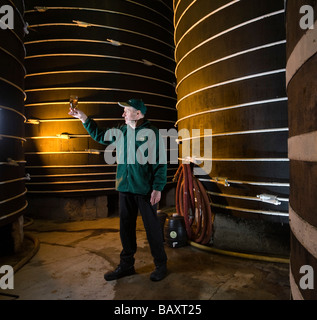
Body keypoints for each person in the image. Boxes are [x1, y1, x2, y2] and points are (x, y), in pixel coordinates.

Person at [68, 98, 168, 281]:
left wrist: (158, 188)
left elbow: (161, 163)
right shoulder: (121, 131)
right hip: (125, 188)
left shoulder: (152, 133)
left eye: (126, 111)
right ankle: (126, 265)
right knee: (126, 228)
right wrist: (82, 117)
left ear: (138, 114)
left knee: (152, 229)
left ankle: (161, 265)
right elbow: (99, 135)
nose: (123, 114)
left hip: (145, 190)